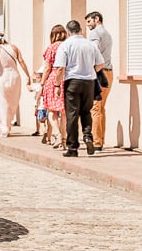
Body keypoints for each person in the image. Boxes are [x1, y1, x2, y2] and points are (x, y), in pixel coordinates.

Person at [53, 20, 104, 157]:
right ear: (81, 30)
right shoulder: (90, 44)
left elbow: (60, 68)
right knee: (86, 112)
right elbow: (100, 64)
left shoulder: (65, 45)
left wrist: (57, 85)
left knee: (72, 115)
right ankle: (87, 136)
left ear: (68, 32)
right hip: (89, 82)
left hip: (72, 81)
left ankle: (73, 148)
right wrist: (91, 70)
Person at [0, 33, 32, 138]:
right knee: (13, 102)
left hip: (2, 77)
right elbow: (21, 62)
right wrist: (28, 76)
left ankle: (5, 128)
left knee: (3, 102)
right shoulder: (14, 47)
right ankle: (9, 123)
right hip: (15, 77)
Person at [86, 10, 113, 151]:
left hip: (99, 73)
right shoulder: (107, 33)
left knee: (95, 108)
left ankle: (96, 142)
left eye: (89, 22)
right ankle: (100, 140)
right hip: (109, 73)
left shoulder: (95, 33)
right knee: (101, 108)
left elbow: (93, 50)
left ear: (97, 19)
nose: (88, 25)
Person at [40, 24, 67, 148]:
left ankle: (57, 134)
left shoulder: (51, 48)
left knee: (51, 110)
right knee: (64, 112)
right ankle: (64, 138)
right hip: (67, 78)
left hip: (53, 78)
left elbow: (47, 68)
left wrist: (42, 83)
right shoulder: (68, 46)